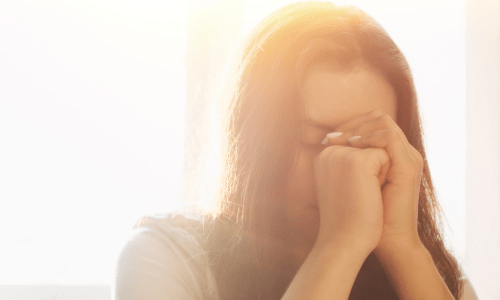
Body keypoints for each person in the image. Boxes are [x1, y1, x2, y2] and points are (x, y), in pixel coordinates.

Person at [113, 2, 479, 299]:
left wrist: (403, 246)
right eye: (314, 140)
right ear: (256, 143)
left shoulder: (435, 277)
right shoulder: (164, 258)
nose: (345, 166)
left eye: (369, 144)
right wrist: (340, 245)